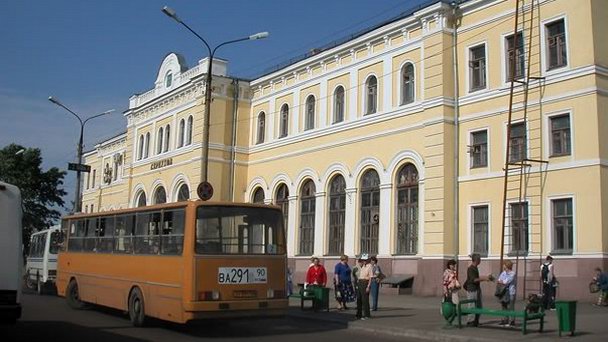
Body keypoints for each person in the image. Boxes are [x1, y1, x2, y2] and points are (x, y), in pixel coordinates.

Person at [463, 253, 494, 327]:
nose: (480, 261)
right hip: (472, 289)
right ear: (476, 260)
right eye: (479, 259)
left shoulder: (475, 268)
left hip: (477, 289)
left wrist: (486, 277)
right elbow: (474, 279)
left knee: (479, 306)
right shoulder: (471, 268)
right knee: (472, 306)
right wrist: (485, 279)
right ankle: (470, 321)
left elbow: (476, 278)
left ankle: (476, 321)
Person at [497, 260, 517, 327]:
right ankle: (504, 320)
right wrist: (502, 281)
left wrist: (502, 281)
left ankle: (512, 321)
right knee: (504, 306)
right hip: (504, 292)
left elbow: (506, 281)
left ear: (507, 265)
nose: (503, 266)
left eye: (504, 265)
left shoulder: (512, 273)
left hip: (511, 292)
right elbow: (499, 280)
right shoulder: (503, 273)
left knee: (510, 306)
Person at [442, 259, 460, 324]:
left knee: (456, 303)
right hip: (449, 289)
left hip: (454, 289)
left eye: (454, 265)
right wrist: (446, 291)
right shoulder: (447, 272)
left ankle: (453, 315)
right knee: (448, 303)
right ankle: (447, 316)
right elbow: (445, 282)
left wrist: (457, 285)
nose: (453, 266)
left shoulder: (454, 272)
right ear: (449, 265)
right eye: (452, 265)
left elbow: (455, 280)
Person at [355, 253, 373, 320]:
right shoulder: (362, 266)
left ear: (368, 260)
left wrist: (368, 286)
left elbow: (371, 277)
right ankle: (359, 314)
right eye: (363, 260)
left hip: (365, 282)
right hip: (360, 282)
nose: (364, 261)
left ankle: (367, 315)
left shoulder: (369, 266)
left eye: (365, 260)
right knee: (359, 299)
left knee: (365, 299)